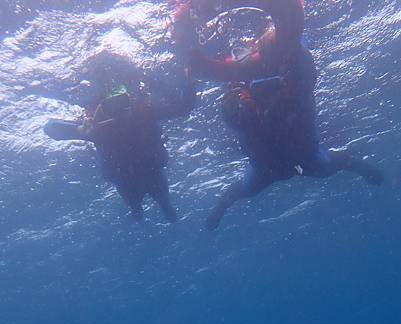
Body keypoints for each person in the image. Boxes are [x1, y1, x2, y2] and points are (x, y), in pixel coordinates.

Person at [173, 0, 383, 230]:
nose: (266, 91)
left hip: (287, 161)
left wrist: (187, 21)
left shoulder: (288, 76)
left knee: (321, 166)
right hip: (282, 163)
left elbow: (291, 24)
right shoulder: (249, 91)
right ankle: (366, 169)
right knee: (315, 168)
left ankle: (365, 168)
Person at [44, 78, 195, 222]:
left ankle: (155, 210)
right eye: (111, 107)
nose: (119, 111)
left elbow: (184, 108)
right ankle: (138, 210)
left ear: (131, 102)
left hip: (151, 173)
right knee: (137, 212)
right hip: (126, 181)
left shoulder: (145, 115)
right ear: (104, 110)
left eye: (122, 102)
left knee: (168, 210)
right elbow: (50, 128)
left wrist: (165, 85)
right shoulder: (98, 129)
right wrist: (79, 128)